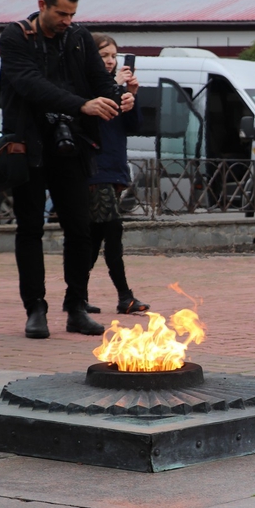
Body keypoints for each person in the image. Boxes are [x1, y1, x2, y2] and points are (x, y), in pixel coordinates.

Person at [0, 0, 135, 339]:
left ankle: (76, 306)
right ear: (42, 5)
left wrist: (117, 94)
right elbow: (30, 84)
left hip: (72, 147)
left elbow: (98, 79)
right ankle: (35, 309)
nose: (67, 21)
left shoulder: (78, 38)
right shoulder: (15, 37)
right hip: (28, 146)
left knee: (80, 229)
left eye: (72, 14)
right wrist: (83, 105)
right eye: (61, 14)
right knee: (30, 228)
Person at [82, 33, 152, 316]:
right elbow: (91, 118)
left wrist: (131, 95)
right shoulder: (88, 86)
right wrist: (115, 86)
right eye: (104, 57)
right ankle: (125, 296)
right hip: (94, 170)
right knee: (112, 230)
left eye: (113, 56)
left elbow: (132, 126)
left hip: (115, 170)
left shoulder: (116, 87)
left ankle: (75, 295)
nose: (110, 61)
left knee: (96, 236)